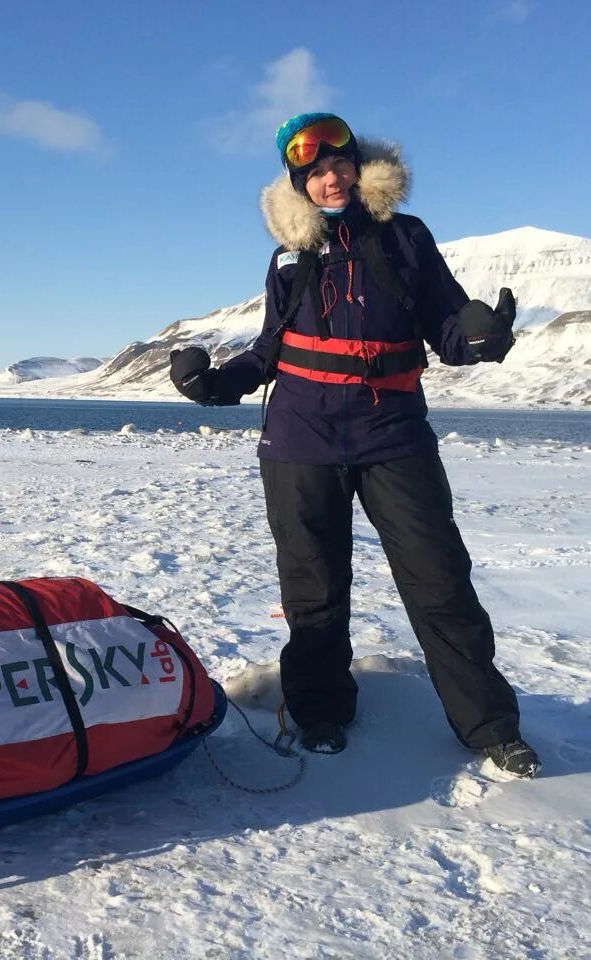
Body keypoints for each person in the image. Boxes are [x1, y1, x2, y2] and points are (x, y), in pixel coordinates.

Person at [169, 112, 539, 777]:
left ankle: (490, 725)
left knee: (439, 579)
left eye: (340, 165)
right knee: (313, 586)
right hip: (298, 440)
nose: (331, 178)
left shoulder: (405, 238)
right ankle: (321, 714)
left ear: (360, 169)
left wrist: (484, 338)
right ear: (298, 183)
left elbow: (447, 331)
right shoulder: (290, 255)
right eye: (314, 172)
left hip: (392, 433)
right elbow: (269, 350)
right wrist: (218, 386)